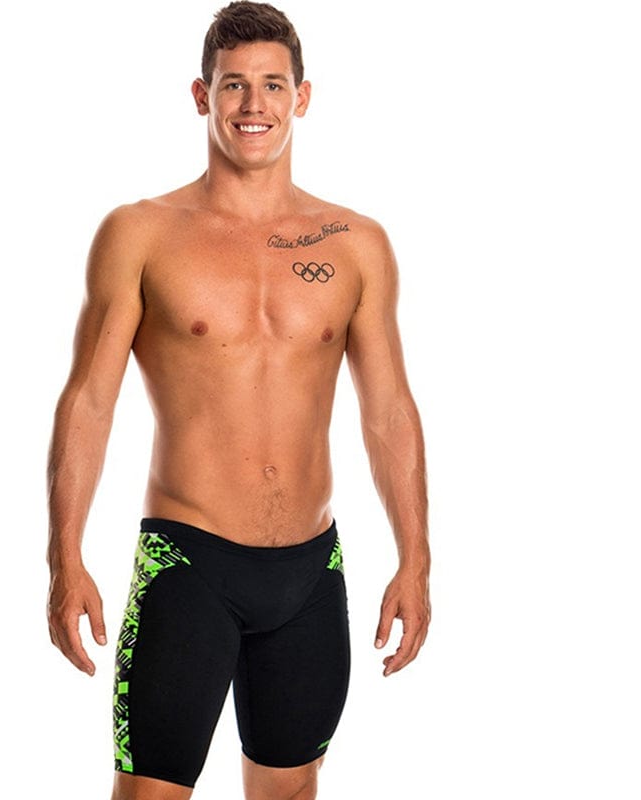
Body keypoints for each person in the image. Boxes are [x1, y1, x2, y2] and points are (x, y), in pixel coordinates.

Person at [46, 2, 431, 798]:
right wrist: (64, 557)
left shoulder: (356, 244)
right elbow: (88, 403)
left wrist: (416, 559)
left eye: (272, 85)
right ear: (202, 95)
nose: (253, 105)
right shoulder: (141, 234)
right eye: (233, 85)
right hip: (188, 563)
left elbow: (389, 409)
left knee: (291, 790)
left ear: (302, 97)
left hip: (310, 571)